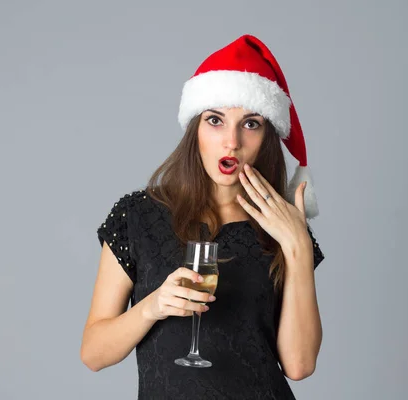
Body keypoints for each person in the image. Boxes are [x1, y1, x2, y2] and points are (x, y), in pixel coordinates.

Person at [80, 34, 325, 399]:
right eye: (215, 120)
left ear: (267, 137)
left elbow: (299, 365)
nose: (232, 141)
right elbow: (93, 354)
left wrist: (298, 246)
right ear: (195, 128)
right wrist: (153, 306)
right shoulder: (137, 217)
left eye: (251, 123)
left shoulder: (282, 225)